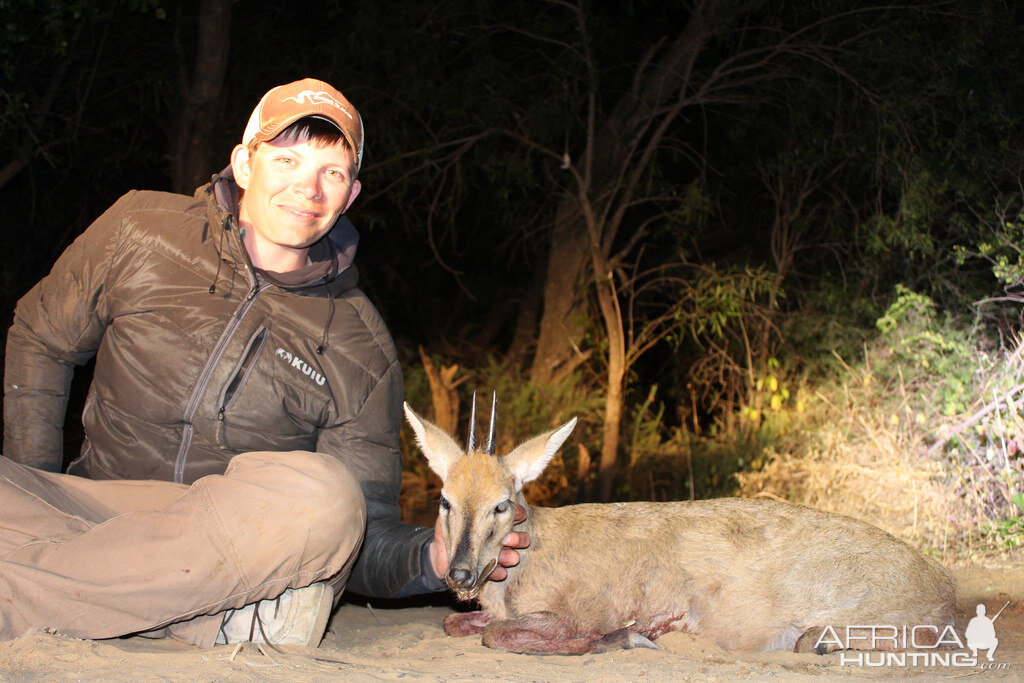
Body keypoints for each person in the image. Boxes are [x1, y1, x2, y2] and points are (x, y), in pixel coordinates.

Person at [0, 78, 526, 648]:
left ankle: (44, 595)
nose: (309, 188)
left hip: (226, 543)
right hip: (87, 506)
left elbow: (362, 532)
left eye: (333, 172)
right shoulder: (139, 228)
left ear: (350, 195)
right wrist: (40, 480)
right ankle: (193, 614)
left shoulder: (360, 344)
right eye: (287, 159)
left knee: (326, 496)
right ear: (244, 164)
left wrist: (431, 556)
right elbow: (39, 338)